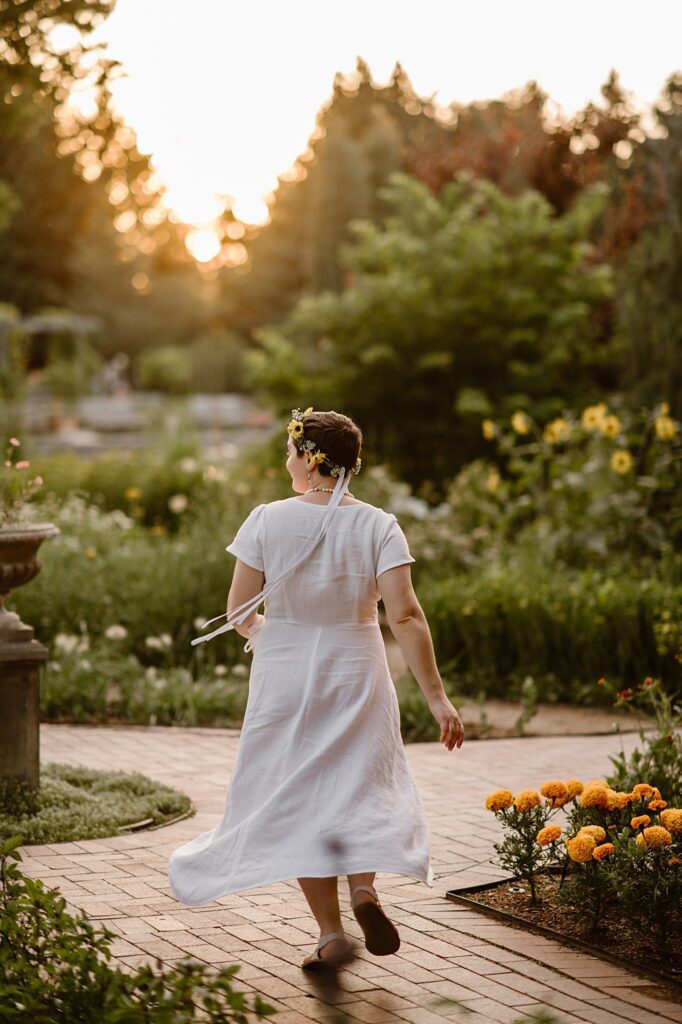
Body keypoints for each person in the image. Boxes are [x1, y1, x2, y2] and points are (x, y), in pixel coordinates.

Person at [168, 407, 464, 972]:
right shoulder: (379, 525)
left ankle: (330, 934)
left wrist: (274, 634)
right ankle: (364, 891)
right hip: (357, 665)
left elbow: (239, 612)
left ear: (309, 458)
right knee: (362, 782)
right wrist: (437, 697)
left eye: (290, 452)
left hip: (285, 671)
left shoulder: (266, 520)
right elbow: (405, 616)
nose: (287, 461)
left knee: (298, 793)